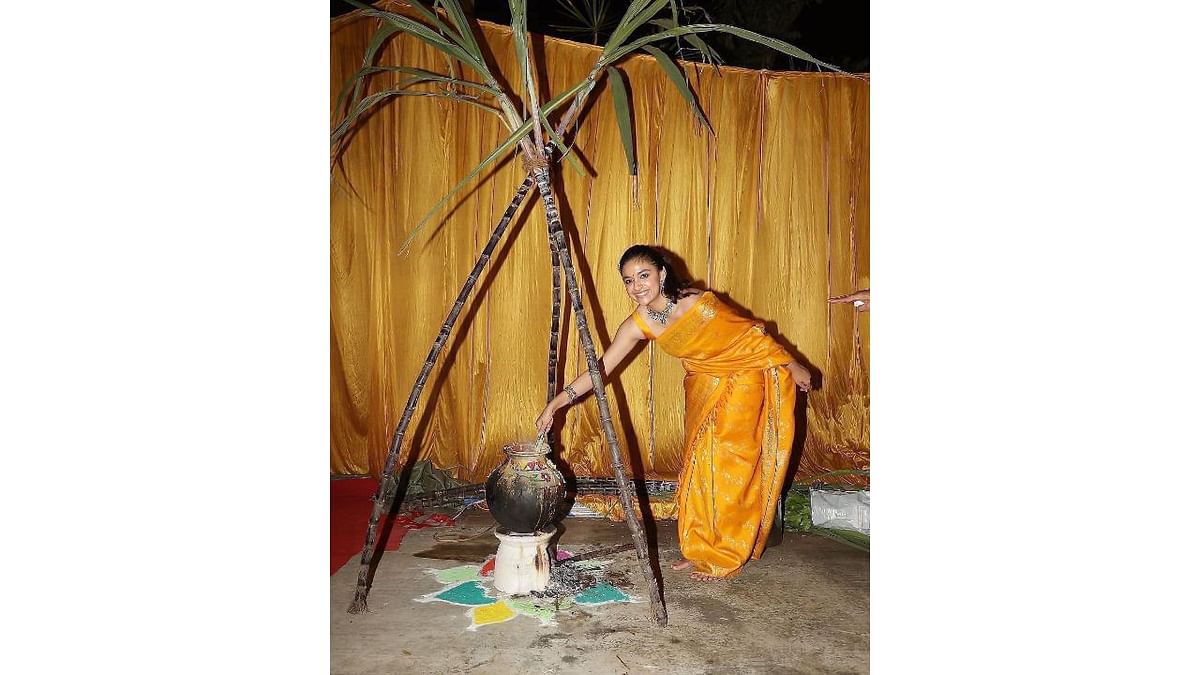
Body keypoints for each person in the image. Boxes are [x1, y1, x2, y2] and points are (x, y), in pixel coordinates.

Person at [535, 245, 812, 582]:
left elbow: (752, 336)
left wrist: (793, 364)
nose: (637, 286)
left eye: (644, 275)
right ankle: (700, 548)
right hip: (702, 389)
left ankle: (726, 553)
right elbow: (600, 370)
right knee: (699, 466)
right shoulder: (638, 323)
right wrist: (558, 403)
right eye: (628, 280)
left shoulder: (696, 304)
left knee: (730, 466)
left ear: (662, 274)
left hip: (743, 381)